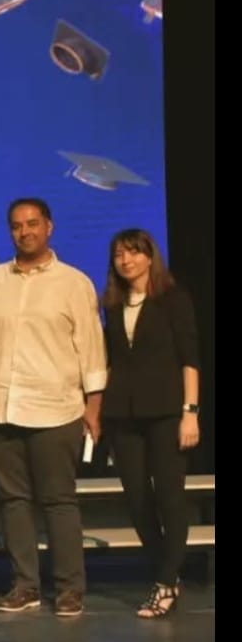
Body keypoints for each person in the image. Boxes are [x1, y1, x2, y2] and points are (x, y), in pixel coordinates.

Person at [0, 198, 107, 617]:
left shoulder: (74, 282)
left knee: (58, 500)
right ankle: (25, 585)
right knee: (13, 501)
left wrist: (94, 406)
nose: (25, 231)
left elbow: (91, 347)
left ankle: (69, 587)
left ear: (49, 227)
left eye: (32, 223)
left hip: (55, 407)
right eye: (17, 225)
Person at [102, 228, 200, 617]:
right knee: (137, 499)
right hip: (123, 414)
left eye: (133, 252)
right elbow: (112, 360)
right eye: (119, 254)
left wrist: (190, 412)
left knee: (170, 497)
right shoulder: (113, 304)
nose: (126, 260)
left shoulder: (172, 299)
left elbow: (189, 359)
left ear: (149, 256)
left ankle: (165, 581)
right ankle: (165, 573)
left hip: (166, 411)